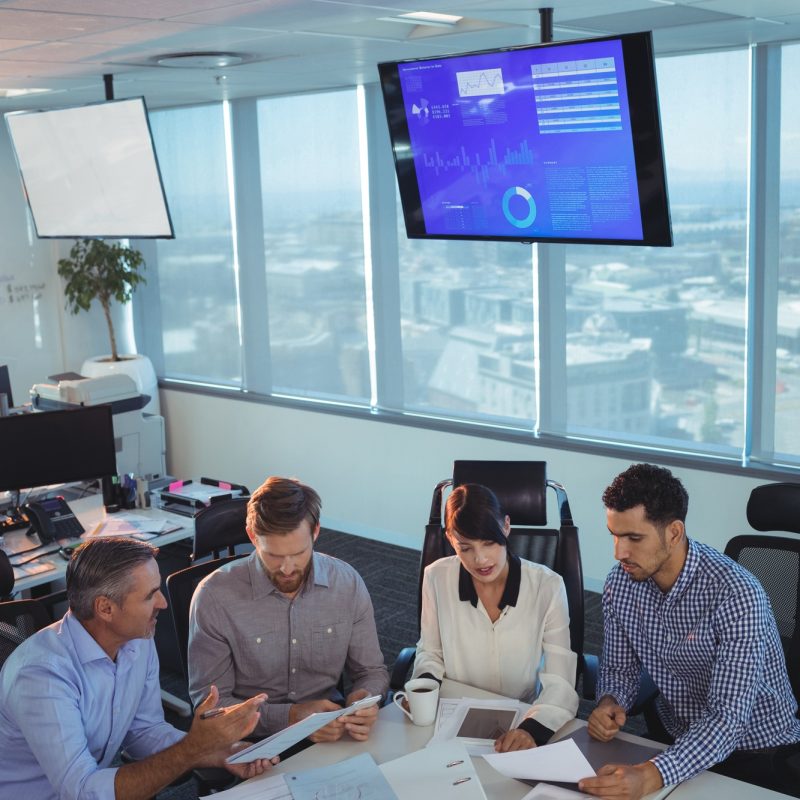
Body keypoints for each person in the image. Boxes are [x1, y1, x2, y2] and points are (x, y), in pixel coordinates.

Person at [579, 463, 800, 800]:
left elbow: (726, 720)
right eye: (615, 535)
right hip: (675, 733)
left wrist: (653, 774)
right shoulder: (621, 582)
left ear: (674, 532)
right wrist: (611, 702)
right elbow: (619, 669)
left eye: (634, 538)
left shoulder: (737, 594)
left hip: (754, 749)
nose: (619, 552)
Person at [0, 537, 275, 800]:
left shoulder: (136, 639)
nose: (163, 603)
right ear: (106, 608)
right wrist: (193, 747)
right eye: (150, 596)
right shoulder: (42, 675)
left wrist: (221, 752)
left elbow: (144, 730)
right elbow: (82, 791)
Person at [189, 476, 389, 744]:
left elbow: (372, 671)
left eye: (298, 553)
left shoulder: (346, 583)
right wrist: (292, 717)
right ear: (252, 536)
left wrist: (366, 698)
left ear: (315, 532)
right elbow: (211, 709)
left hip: (332, 732)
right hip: (252, 742)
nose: (287, 568)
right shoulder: (214, 597)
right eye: (273, 555)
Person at [412, 483, 579, 751]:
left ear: (506, 526)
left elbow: (560, 680)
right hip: (453, 720)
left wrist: (531, 730)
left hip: (522, 717)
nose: (480, 559)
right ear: (449, 538)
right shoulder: (436, 577)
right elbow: (430, 652)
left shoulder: (547, 586)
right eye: (465, 548)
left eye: (489, 543)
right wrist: (424, 689)